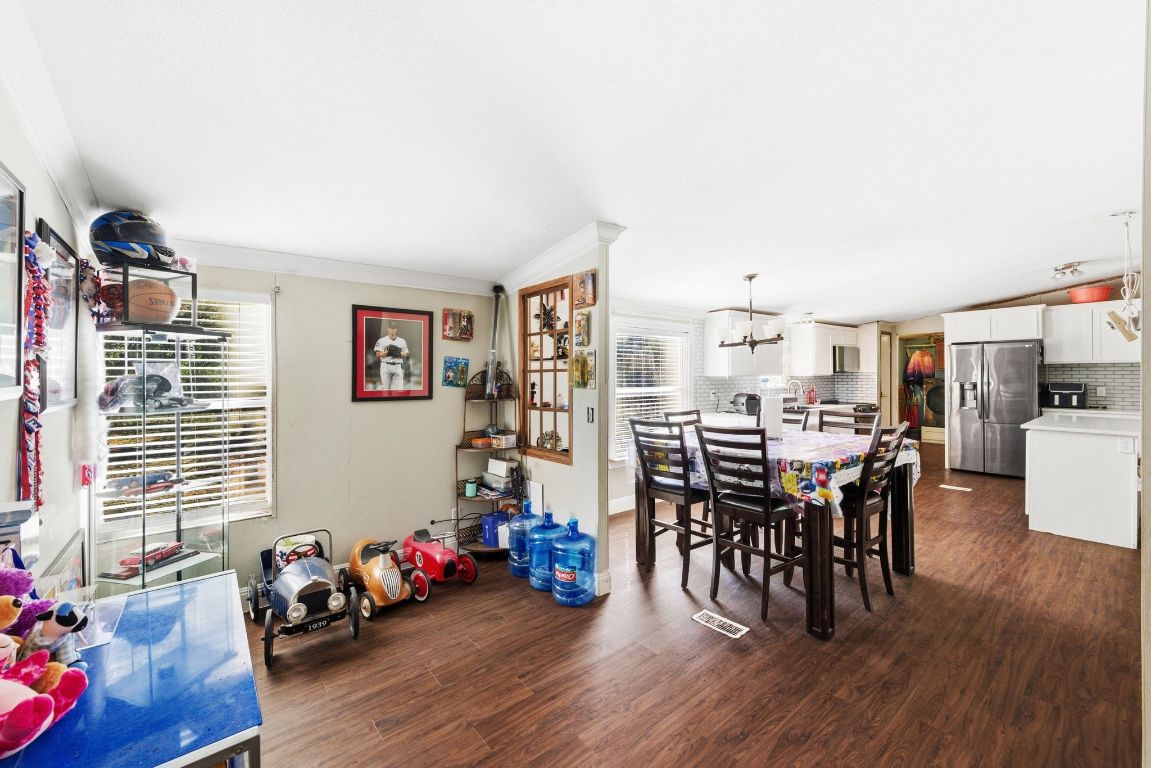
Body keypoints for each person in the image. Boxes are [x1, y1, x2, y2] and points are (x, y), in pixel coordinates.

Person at [374, 322, 409, 391]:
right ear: (388, 329)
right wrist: (388, 352)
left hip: (397, 366)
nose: (393, 330)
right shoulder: (381, 340)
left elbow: (406, 354)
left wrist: (397, 353)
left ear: (396, 329)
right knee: (386, 389)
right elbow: (378, 354)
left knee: (399, 390)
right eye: (391, 328)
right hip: (386, 366)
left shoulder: (402, 341)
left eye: (394, 328)